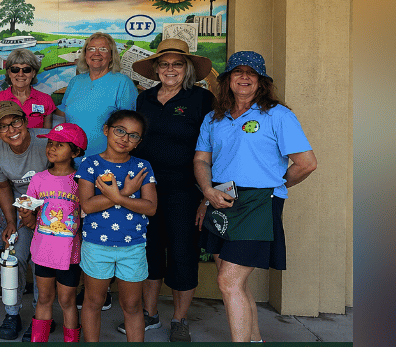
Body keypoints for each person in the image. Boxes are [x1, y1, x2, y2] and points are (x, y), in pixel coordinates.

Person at [194, 51, 317, 343]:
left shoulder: (278, 115)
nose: (245, 77)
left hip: (260, 203)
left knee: (228, 281)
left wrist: (273, 185)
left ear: (261, 81)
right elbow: (202, 161)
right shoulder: (214, 118)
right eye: (238, 72)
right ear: (227, 80)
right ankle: (255, 340)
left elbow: (306, 163)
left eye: (252, 73)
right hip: (221, 198)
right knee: (234, 282)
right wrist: (207, 192)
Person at [123, 39, 215, 341]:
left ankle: (179, 319)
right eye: (164, 64)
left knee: (182, 252)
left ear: (186, 68)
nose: (170, 69)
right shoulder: (145, 99)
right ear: (156, 68)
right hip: (145, 188)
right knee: (148, 251)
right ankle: (149, 314)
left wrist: (206, 193)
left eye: (177, 64)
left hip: (184, 191)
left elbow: (214, 146)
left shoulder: (201, 99)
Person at [76, 110, 157, 343]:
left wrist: (120, 197)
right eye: (120, 130)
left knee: (132, 304)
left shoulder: (143, 167)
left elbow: (150, 207)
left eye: (133, 135)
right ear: (106, 130)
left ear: (139, 141)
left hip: (133, 247)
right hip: (96, 246)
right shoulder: (90, 164)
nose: (125, 138)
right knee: (93, 301)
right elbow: (88, 206)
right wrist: (127, 192)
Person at [0, 48, 55, 306]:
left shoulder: (43, 101)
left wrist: (31, 209)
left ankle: (42, 298)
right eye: (15, 69)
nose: (21, 73)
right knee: (5, 227)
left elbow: (48, 141)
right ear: (8, 72)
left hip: (38, 181)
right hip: (9, 174)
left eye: (26, 69)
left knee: (38, 241)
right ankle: (3, 278)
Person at [0, 101, 50, 340]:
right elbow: (2, 188)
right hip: (22, 212)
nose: (11, 130)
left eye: (15, 122)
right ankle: (12, 313)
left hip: (52, 212)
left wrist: (38, 216)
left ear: (25, 120)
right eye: (3, 127)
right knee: (14, 256)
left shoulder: (44, 142)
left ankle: (41, 317)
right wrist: (11, 222)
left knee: (42, 262)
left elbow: (62, 179)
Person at [17, 122, 87, 343]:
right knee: (44, 298)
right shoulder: (38, 179)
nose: (52, 148)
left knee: (67, 300)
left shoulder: (81, 182)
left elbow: (86, 216)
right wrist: (25, 214)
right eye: (50, 143)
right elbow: (29, 217)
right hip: (43, 251)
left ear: (75, 152)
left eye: (60, 145)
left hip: (70, 254)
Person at [60, 32, 138, 158]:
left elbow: (129, 127)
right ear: (85, 55)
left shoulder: (123, 82)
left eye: (103, 49)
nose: (96, 53)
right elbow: (62, 113)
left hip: (106, 162)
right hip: (72, 160)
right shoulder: (76, 81)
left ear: (111, 56)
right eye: (91, 49)